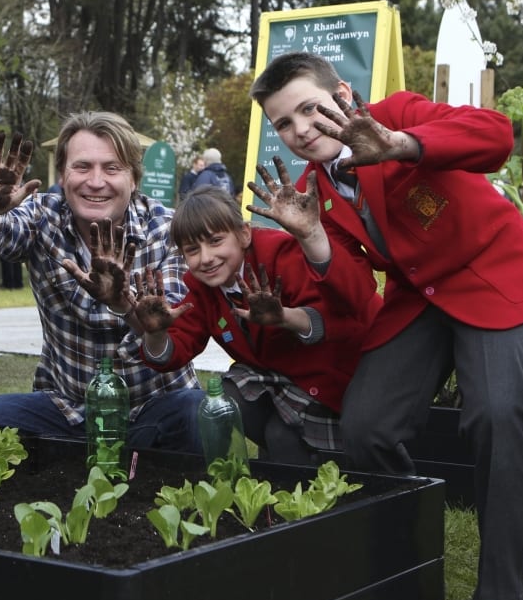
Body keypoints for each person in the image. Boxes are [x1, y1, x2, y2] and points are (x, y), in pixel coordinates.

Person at [250, 51, 523, 600]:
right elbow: (353, 293)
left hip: (490, 272)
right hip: (417, 298)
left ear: (343, 93)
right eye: (283, 124)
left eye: (307, 110)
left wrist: (399, 144)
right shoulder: (309, 190)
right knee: (366, 425)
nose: (299, 130)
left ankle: (500, 596)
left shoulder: (395, 112)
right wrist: (312, 236)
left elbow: (494, 135)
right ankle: (407, 560)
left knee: (498, 415)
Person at [0, 114, 204, 454]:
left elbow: (167, 333)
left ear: (134, 178)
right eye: (82, 167)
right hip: (67, 410)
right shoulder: (44, 215)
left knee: (200, 416)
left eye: (112, 168)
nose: (95, 181)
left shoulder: (167, 230)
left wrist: (124, 304)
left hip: (156, 407)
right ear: (63, 175)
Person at [123, 172, 381, 464]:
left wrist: (284, 317)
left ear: (244, 234)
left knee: (281, 436)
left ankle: (317, 469)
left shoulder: (279, 254)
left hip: (345, 370)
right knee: (228, 397)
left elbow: (338, 319)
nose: (206, 258)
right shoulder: (202, 287)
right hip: (287, 374)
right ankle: (290, 463)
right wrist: (155, 333)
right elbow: (177, 347)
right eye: (192, 250)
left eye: (216, 241)